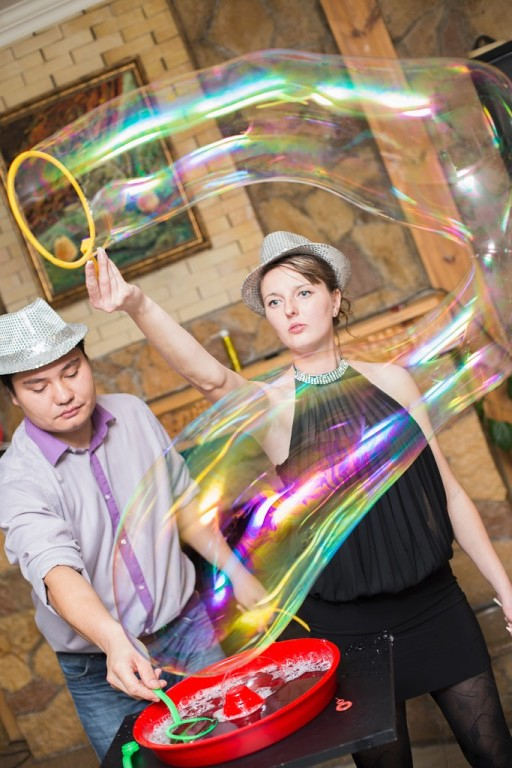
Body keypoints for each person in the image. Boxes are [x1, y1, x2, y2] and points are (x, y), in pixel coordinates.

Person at [85, 233, 512, 768]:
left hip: (436, 606)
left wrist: (506, 589)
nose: (289, 309)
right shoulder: (274, 406)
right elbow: (207, 377)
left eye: (303, 292)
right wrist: (137, 304)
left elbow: (449, 492)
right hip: (347, 632)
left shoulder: (395, 383)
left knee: (495, 752)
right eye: (274, 301)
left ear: (335, 299)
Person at [0, 298, 264, 761]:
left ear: (87, 362)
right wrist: (114, 642)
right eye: (37, 386)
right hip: (101, 666)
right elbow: (55, 571)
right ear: (14, 397)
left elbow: (181, 505)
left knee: (235, 753)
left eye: (71, 371)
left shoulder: (134, 413)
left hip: (189, 631)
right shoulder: (16, 476)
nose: (63, 394)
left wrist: (238, 574)